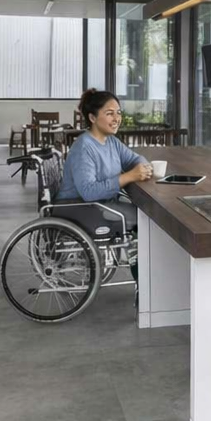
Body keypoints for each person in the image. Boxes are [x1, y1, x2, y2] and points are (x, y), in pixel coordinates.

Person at [56, 89, 152, 304]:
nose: (116, 118)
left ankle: (147, 281)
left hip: (100, 203)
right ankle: (144, 288)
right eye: (109, 113)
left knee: (142, 215)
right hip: (80, 207)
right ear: (92, 117)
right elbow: (88, 191)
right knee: (143, 219)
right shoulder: (84, 147)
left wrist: (141, 167)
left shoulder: (111, 142)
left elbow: (135, 158)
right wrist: (128, 177)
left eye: (118, 112)